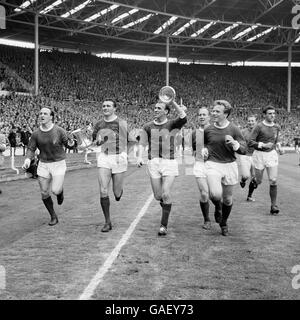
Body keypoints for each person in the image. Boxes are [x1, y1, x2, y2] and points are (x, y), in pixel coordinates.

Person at [137, 98, 187, 236]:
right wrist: (139, 157)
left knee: (165, 193)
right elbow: (142, 143)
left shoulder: (172, 124)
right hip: (153, 162)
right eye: (155, 108)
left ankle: (163, 225)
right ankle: (166, 205)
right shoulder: (147, 126)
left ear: (166, 111)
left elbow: (183, 116)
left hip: (169, 161)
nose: (156, 110)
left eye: (159, 108)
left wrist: (173, 102)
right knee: (158, 196)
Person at [22, 107, 75, 226]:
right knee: (44, 192)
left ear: (51, 117)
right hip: (43, 164)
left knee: (55, 190)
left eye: (45, 113)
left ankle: (60, 192)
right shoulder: (36, 133)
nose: (42, 115)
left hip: (58, 163)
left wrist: (71, 143)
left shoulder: (59, 130)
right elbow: (31, 148)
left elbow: (69, 144)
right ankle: (53, 216)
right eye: (40, 113)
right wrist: (27, 160)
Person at [203, 100, 246, 236]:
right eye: (213, 110)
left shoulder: (234, 129)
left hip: (229, 165)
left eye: (217, 111)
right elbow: (203, 144)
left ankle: (224, 222)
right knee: (215, 194)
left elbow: (244, 150)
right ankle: (218, 207)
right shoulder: (208, 129)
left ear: (226, 114)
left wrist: (235, 144)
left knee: (227, 198)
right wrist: (203, 150)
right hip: (213, 164)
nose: (213, 113)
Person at [91, 99, 133, 233]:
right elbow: (95, 142)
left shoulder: (121, 123)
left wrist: (126, 154)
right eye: (103, 106)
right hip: (104, 157)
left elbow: (131, 141)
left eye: (108, 106)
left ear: (115, 108)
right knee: (103, 190)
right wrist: (97, 142)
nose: (105, 107)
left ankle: (119, 192)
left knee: (117, 193)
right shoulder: (98, 124)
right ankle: (107, 222)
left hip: (119, 157)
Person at [248, 105, 284, 215]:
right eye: (270, 113)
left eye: (273, 113)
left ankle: (273, 205)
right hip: (259, 155)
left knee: (273, 180)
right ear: (264, 115)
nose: (272, 115)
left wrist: (279, 147)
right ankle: (253, 182)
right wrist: (263, 144)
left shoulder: (277, 127)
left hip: (271, 155)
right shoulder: (258, 127)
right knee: (258, 181)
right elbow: (250, 142)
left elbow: (276, 140)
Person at [192, 106, 222, 230]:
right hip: (199, 164)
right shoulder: (194, 133)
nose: (202, 117)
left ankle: (218, 206)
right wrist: (198, 153)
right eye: (200, 115)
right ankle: (206, 219)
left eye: (204, 115)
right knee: (204, 193)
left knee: (213, 195)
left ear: (209, 117)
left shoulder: (216, 130)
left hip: (214, 164)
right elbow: (193, 150)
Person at [239, 115, 258, 201]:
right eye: (249, 121)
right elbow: (239, 142)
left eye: (252, 121)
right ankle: (243, 180)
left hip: (255, 156)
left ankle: (249, 196)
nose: (251, 122)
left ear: (256, 121)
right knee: (246, 175)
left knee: (254, 178)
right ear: (247, 122)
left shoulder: (259, 132)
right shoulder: (243, 132)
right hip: (244, 155)